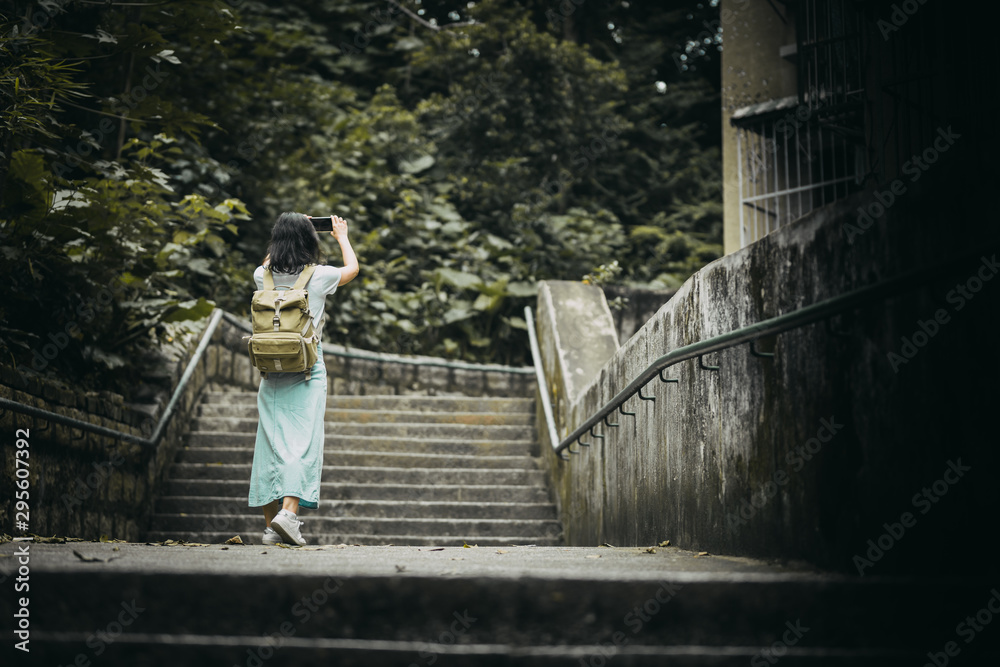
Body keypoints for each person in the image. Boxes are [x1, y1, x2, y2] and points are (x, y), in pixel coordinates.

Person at [248, 212, 359, 546]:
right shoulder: (320, 276)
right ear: (310, 240)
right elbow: (352, 269)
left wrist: (289, 230)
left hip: (271, 370)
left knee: (270, 443)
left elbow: (267, 262)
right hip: (308, 369)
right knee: (302, 442)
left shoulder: (262, 275)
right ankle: (288, 514)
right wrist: (341, 236)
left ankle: (271, 528)